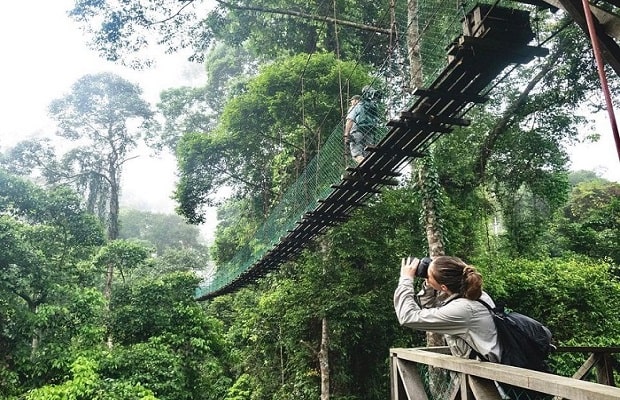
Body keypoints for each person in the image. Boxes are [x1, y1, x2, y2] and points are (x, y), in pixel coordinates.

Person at [393, 255, 501, 362]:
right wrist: (430, 277)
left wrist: (405, 280)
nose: (428, 280)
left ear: (444, 288)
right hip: (494, 368)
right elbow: (432, 306)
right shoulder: (477, 295)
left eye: (429, 278)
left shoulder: (463, 309)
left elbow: (407, 317)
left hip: (485, 376)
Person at [343, 94, 367, 164]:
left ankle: (365, 165)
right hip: (369, 132)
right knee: (368, 154)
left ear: (356, 100)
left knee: (356, 155)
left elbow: (350, 120)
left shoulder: (354, 107)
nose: (351, 103)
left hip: (357, 132)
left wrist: (346, 134)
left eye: (352, 101)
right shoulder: (367, 107)